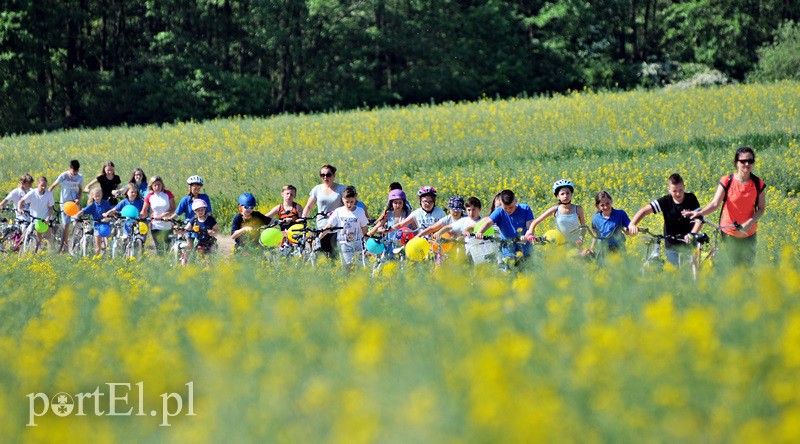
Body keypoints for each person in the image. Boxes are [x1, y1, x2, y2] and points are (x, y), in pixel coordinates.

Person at [685, 146, 766, 265]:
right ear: (736, 163)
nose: (747, 164)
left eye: (750, 161)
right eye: (743, 161)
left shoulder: (758, 184)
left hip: (749, 234)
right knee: (732, 269)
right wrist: (700, 213)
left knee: (747, 270)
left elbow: (761, 209)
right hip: (729, 233)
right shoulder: (727, 181)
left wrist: (749, 222)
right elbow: (714, 204)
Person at [628, 173, 702, 267]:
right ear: (669, 189)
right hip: (671, 245)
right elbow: (644, 211)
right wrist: (632, 224)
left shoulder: (691, 198)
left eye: (681, 190)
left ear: (684, 187)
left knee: (690, 271)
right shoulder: (666, 201)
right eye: (674, 191)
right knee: (677, 272)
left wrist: (692, 234)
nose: (678, 193)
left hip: (689, 244)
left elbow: (700, 219)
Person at [471, 189, 534, 260]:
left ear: (516, 201)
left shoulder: (525, 209)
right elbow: (488, 223)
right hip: (508, 251)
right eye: (505, 208)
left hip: (526, 250)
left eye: (511, 207)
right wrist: (480, 232)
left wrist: (527, 235)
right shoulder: (499, 211)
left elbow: (530, 226)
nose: (508, 210)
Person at [302, 164, 346, 257]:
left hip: (336, 227)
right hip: (321, 226)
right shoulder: (317, 189)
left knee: (335, 253)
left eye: (328, 175)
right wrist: (303, 219)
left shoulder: (341, 189)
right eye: (323, 175)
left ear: (333, 175)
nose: (325, 177)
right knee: (321, 253)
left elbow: (348, 205)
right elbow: (308, 206)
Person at [525, 179, 586, 246]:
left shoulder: (578, 209)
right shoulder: (555, 209)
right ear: (558, 196)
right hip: (559, 244)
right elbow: (535, 222)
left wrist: (581, 239)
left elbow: (583, 227)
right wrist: (530, 233)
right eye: (562, 194)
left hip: (575, 244)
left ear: (572, 194)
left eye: (568, 193)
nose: (565, 196)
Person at [323, 186, 368, 267]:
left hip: (357, 244)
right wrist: (319, 237)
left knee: (358, 268)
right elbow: (329, 225)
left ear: (355, 199)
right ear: (343, 199)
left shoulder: (360, 211)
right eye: (347, 202)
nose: (349, 204)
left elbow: (364, 228)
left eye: (352, 201)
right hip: (344, 244)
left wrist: (368, 243)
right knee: (347, 267)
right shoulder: (338, 211)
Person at [583, 191, 631, 257]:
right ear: (598, 206)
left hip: (619, 247)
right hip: (603, 248)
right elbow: (596, 234)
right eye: (602, 205)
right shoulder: (596, 218)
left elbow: (629, 227)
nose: (605, 207)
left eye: (607, 203)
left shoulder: (620, 214)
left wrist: (628, 231)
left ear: (611, 201)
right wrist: (592, 248)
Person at [49, 160, 84, 251]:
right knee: (65, 224)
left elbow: (80, 189)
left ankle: (76, 242)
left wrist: (78, 198)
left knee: (75, 221)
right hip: (64, 203)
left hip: (74, 203)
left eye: (77, 171)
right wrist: (47, 196)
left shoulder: (80, 177)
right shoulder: (64, 175)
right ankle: (65, 245)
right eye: (73, 171)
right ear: (70, 168)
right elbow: (53, 185)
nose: (75, 173)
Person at [141, 176, 175, 254]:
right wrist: (138, 217)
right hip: (155, 225)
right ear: (151, 186)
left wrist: (164, 215)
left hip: (167, 224)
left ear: (162, 185)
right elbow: (144, 211)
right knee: (159, 249)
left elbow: (173, 210)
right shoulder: (149, 196)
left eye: (159, 185)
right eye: (155, 185)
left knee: (167, 248)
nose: (157, 187)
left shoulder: (168, 194)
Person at [74, 188, 113, 255]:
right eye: (96, 196)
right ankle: (97, 257)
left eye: (99, 196)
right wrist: (77, 215)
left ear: (101, 195)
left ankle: (108, 253)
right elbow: (84, 211)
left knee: (108, 240)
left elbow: (111, 212)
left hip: (105, 224)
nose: (97, 198)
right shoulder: (92, 205)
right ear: (93, 196)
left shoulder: (106, 203)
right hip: (96, 225)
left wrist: (108, 218)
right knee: (98, 245)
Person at [18, 176, 55, 245]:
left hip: (47, 219)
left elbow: (51, 208)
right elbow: (21, 201)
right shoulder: (32, 192)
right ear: (37, 184)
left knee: (49, 239)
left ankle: (50, 254)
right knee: (38, 240)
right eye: (42, 185)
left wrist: (48, 218)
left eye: (45, 186)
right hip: (36, 220)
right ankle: (39, 252)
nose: (44, 187)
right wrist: (19, 208)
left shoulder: (49, 194)